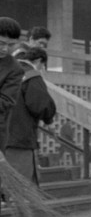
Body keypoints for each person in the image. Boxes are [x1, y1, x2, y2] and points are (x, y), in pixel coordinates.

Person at [5, 47, 56, 185]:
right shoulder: (31, 76)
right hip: (19, 137)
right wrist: (49, 120)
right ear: (39, 61)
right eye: (43, 66)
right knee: (20, 184)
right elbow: (40, 103)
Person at [0, 17, 25, 152]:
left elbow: (6, 101)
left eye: (11, 45)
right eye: (1, 43)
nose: (4, 49)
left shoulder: (15, 69)